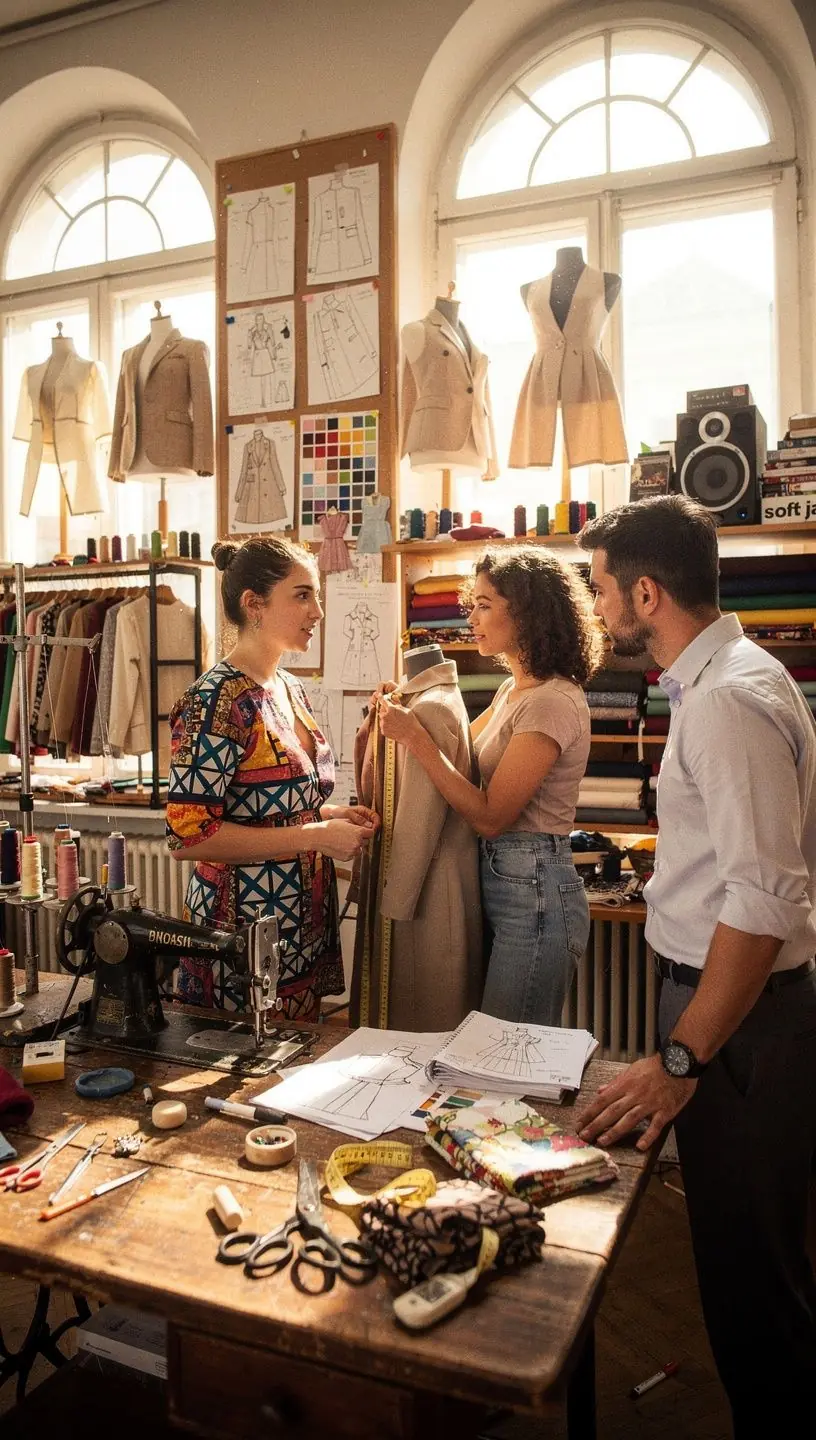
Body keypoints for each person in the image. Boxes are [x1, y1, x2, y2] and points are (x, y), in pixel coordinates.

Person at [576, 495, 816, 1436]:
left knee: (755, 1284)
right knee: (742, 1267)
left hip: (745, 1026)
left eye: (601, 591)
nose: (597, 610)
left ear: (646, 591)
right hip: (739, 1018)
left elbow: (763, 906)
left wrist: (680, 1061)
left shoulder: (726, 701)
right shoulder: (733, 680)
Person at [378, 546, 602, 1025]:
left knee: (504, 1054)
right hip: (506, 885)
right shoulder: (512, 691)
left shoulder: (551, 702)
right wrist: (408, 707)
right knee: (490, 1049)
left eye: (485, 604)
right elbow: (460, 753)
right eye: (472, 604)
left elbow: (491, 816)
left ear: (526, 612)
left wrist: (415, 737)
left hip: (536, 892)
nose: (471, 618)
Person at [166, 536, 378, 1019]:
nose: (318, 612)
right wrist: (314, 836)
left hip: (300, 924)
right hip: (241, 932)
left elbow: (271, 805)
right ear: (254, 604)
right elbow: (188, 836)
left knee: (294, 1075)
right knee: (237, 1079)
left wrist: (330, 815)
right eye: (303, 595)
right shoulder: (213, 701)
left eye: (317, 596)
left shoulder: (289, 690)